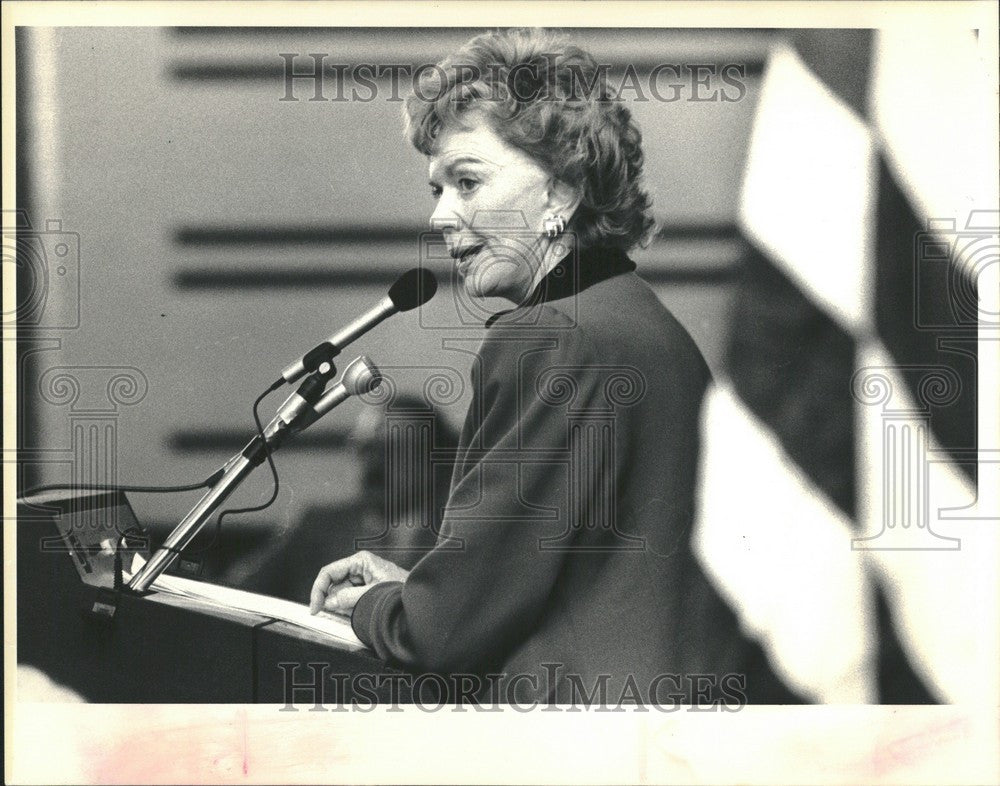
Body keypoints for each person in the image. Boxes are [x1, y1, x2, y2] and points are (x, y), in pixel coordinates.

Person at [310, 28, 800, 705]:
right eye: (437, 187)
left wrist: (378, 609)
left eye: (467, 181)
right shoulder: (642, 321)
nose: (440, 215)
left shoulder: (545, 339)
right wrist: (414, 590)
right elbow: (568, 580)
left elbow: (445, 637)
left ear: (562, 194)